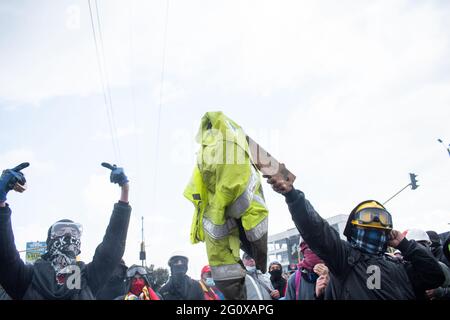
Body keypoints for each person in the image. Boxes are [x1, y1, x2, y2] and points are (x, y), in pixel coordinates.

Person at [265, 172, 445, 300]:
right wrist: (293, 196)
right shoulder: (344, 259)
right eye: (368, 220)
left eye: (380, 221)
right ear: (354, 227)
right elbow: (316, 229)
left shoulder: (399, 265)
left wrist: (406, 245)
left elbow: (435, 276)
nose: (374, 224)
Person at [0, 162, 132, 300]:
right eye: (61, 230)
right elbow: (4, 254)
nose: (69, 235)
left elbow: (111, 249)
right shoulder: (28, 277)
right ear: (49, 242)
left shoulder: (86, 277)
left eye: (75, 232)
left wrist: (125, 190)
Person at [184, 112, 269, 300]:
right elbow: (256, 223)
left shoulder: (205, 153)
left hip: (218, 217)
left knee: (225, 271)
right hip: (238, 213)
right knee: (254, 232)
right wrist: (261, 260)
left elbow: (198, 191)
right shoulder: (234, 143)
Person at [405, 229, 450, 300]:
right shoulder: (403, 269)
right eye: (416, 246)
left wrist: (439, 292)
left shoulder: (441, 266)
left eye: (422, 245)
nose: (419, 249)